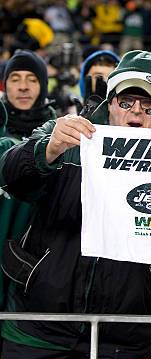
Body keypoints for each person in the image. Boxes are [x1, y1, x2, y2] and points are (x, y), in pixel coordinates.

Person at [0, 50, 151, 359]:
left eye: (148, 106)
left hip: (119, 338)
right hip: (40, 329)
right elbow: (11, 176)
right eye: (126, 102)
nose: (135, 112)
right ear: (110, 103)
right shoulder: (68, 134)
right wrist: (47, 149)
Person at [0, 50, 56, 305]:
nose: (23, 87)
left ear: (43, 86)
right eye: (15, 78)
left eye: (32, 79)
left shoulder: (60, 134)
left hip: (37, 262)